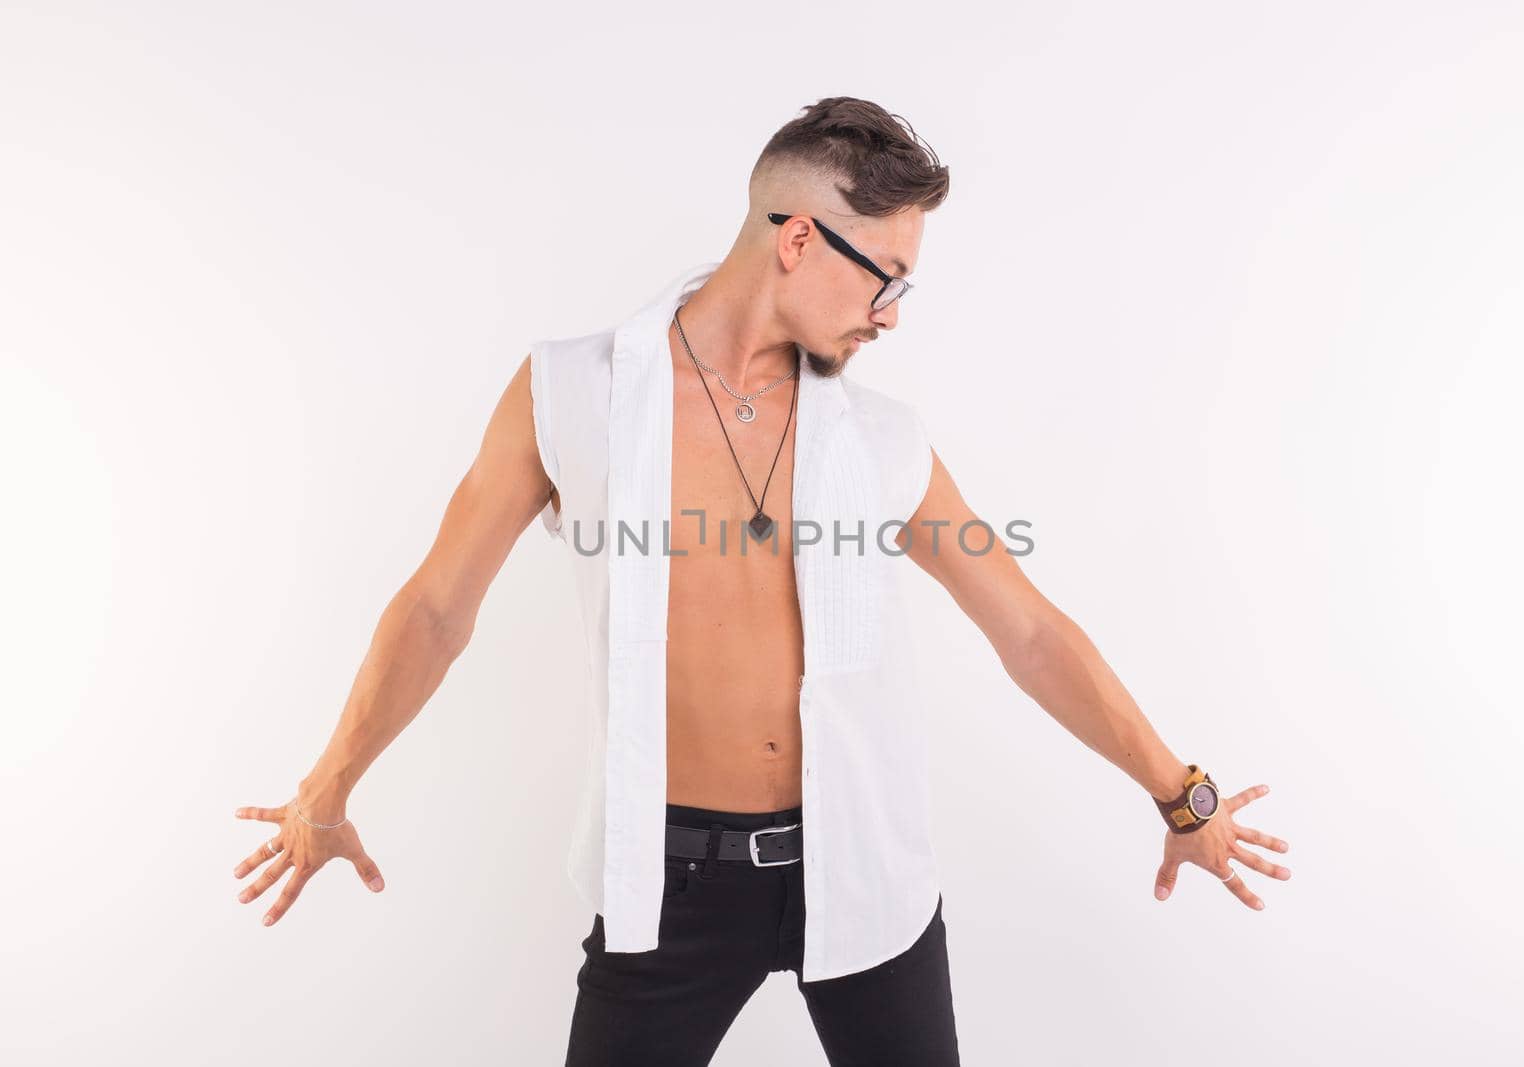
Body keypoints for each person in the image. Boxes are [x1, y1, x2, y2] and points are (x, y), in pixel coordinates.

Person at [232, 96, 1291, 1066]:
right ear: (797, 238)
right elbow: (435, 604)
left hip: (863, 866)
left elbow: (1025, 628)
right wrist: (328, 783)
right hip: (667, 879)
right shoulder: (572, 392)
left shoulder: (881, 439)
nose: (890, 313)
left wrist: (1179, 789)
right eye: (885, 275)